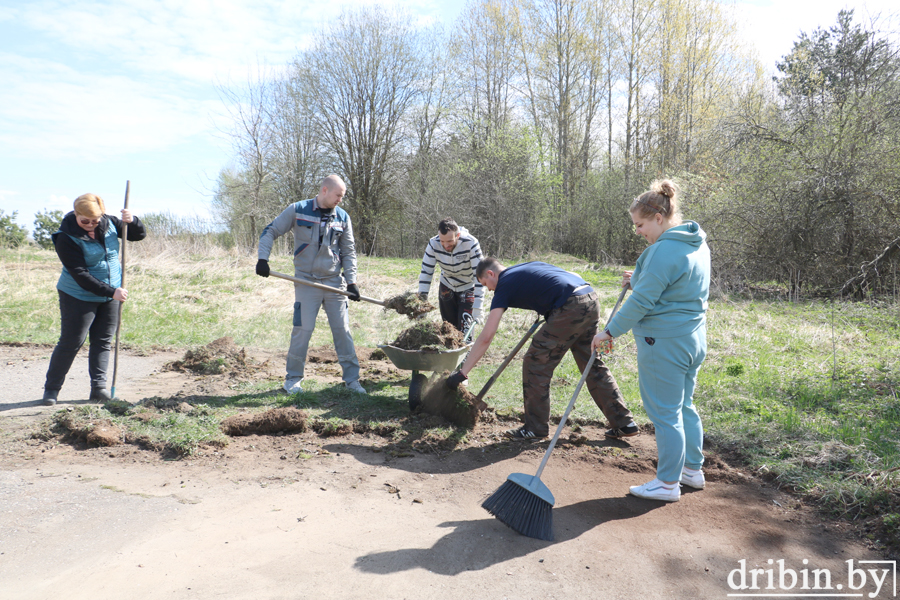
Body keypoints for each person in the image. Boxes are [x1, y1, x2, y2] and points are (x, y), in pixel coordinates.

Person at [592, 179, 710, 502]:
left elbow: (642, 303)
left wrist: (609, 331)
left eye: (640, 225)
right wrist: (641, 279)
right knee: (685, 405)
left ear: (659, 218)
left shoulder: (661, 252)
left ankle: (667, 483)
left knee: (664, 413)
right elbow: (676, 288)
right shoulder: (697, 243)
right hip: (693, 339)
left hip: (665, 344)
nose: (638, 231)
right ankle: (692, 471)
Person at [447, 257, 638, 440]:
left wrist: (462, 373)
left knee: (535, 363)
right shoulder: (526, 267)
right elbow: (569, 275)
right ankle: (623, 423)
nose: (488, 290)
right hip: (589, 298)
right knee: (591, 364)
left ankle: (535, 428)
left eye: (485, 283)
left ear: (491, 273)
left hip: (569, 307)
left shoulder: (504, 284)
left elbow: (486, 337)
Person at [255, 174, 366, 395]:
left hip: (335, 282)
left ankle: (352, 381)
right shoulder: (298, 209)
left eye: (342, 197)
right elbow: (271, 231)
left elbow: (349, 251)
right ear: (324, 190)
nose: (340, 200)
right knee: (302, 330)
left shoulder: (342, 217)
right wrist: (263, 259)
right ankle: (293, 380)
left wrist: (351, 282)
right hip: (305, 280)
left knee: (343, 331)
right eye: (338, 195)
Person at [43, 193, 146, 405]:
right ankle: (51, 390)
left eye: (95, 220)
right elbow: (80, 274)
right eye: (85, 221)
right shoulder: (65, 237)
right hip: (78, 295)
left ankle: (98, 389)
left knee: (103, 341)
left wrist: (132, 220)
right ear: (76, 214)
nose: (90, 225)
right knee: (72, 341)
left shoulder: (109, 223)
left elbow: (137, 235)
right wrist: (111, 292)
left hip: (111, 293)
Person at [417, 218, 484, 332]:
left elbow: (479, 276)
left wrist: (478, 308)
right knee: (449, 331)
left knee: (465, 332)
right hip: (446, 286)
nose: (445, 245)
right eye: (442, 241)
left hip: (467, 287)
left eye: (449, 241)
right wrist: (422, 304)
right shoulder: (433, 243)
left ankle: (467, 349)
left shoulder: (471, 243)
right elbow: (426, 273)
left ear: (457, 235)